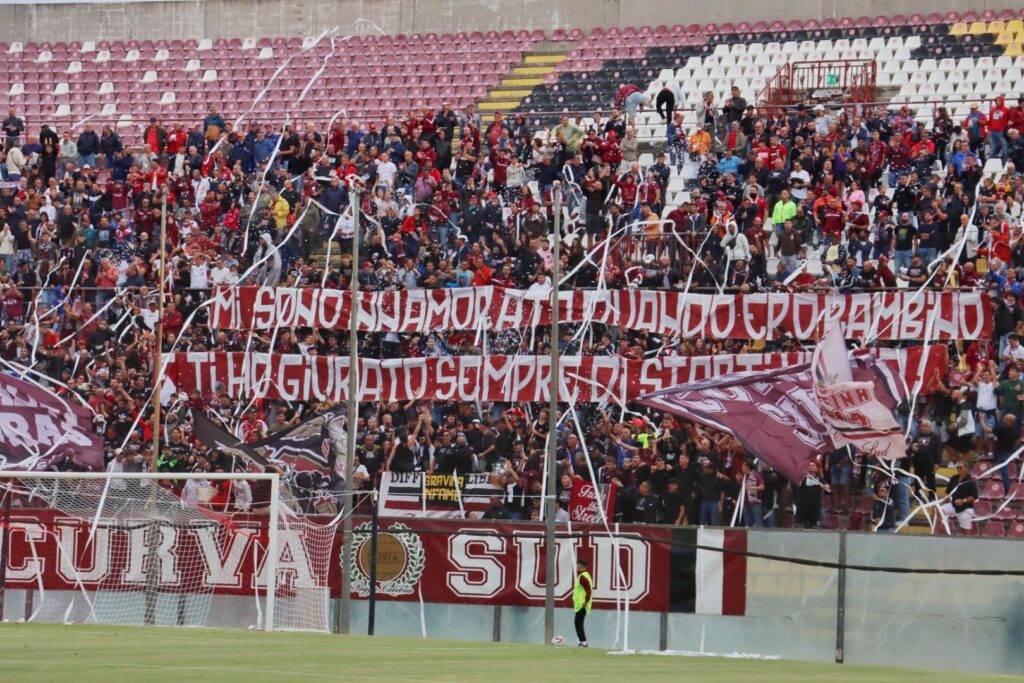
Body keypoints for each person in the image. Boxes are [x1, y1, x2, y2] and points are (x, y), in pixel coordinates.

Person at [939, 461, 978, 534]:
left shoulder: (971, 481)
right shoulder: (954, 478)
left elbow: (974, 496)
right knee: (938, 510)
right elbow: (947, 491)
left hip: (965, 508)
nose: (958, 469)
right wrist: (940, 502)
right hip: (953, 505)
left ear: (966, 469)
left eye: (960, 467)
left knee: (965, 532)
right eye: (957, 467)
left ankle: (967, 544)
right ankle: (945, 527)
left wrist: (963, 501)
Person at [572, 558, 593, 648]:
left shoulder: (583, 577)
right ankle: (582, 641)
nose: (576, 567)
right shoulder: (585, 575)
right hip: (580, 604)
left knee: (578, 623)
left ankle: (583, 642)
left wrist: (586, 601)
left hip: (582, 604)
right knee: (578, 623)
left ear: (580, 565)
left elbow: (588, 589)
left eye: (577, 565)